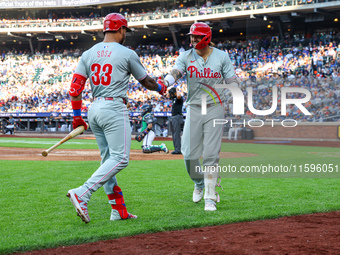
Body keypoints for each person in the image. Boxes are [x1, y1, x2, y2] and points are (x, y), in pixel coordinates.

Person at [66, 13, 167, 224]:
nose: (125, 34)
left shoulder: (88, 53)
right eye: (125, 31)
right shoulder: (127, 53)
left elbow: (75, 89)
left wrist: (77, 117)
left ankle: (118, 210)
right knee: (120, 158)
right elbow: (146, 81)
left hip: (94, 108)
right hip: (113, 107)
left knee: (108, 160)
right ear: (120, 30)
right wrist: (161, 88)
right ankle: (83, 192)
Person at [158, 22, 238, 211]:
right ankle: (199, 182)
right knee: (188, 154)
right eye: (192, 36)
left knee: (211, 154)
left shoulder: (221, 56)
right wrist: (165, 82)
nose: (193, 39)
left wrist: (233, 91)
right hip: (194, 107)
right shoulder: (186, 56)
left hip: (215, 106)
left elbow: (232, 79)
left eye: (196, 36)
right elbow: (176, 72)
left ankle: (210, 197)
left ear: (207, 37)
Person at [168, 87, 183, 154]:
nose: (171, 94)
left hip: (177, 116)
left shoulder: (179, 98)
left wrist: (177, 90)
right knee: (174, 134)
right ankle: (176, 148)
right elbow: (167, 95)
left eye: (172, 93)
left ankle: (178, 149)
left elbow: (179, 96)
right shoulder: (174, 98)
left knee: (176, 134)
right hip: (174, 116)